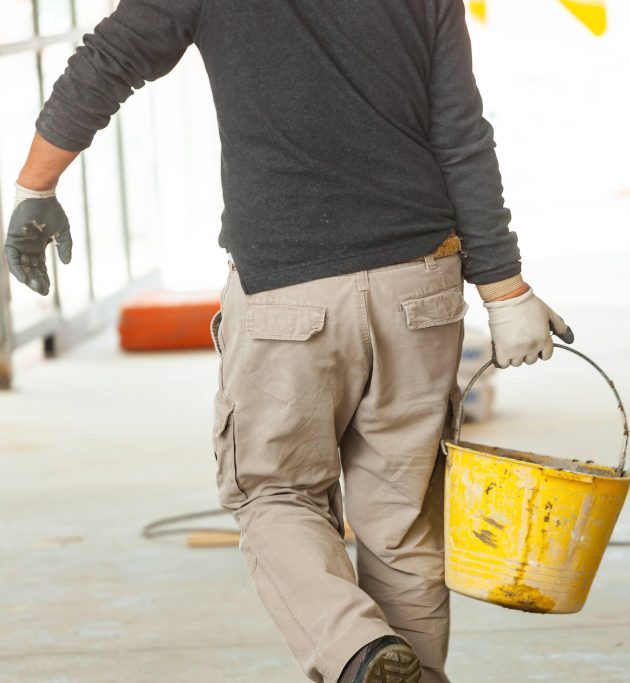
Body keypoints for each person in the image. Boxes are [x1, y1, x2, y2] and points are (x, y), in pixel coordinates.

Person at [4, 1, 571, 681]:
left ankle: (358, 651)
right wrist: (503, 288)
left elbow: (110, 58)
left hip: (287, 293)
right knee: (400, 520)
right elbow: (461, 131)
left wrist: (36, 186)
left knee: (274, 494)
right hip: (419, 285)